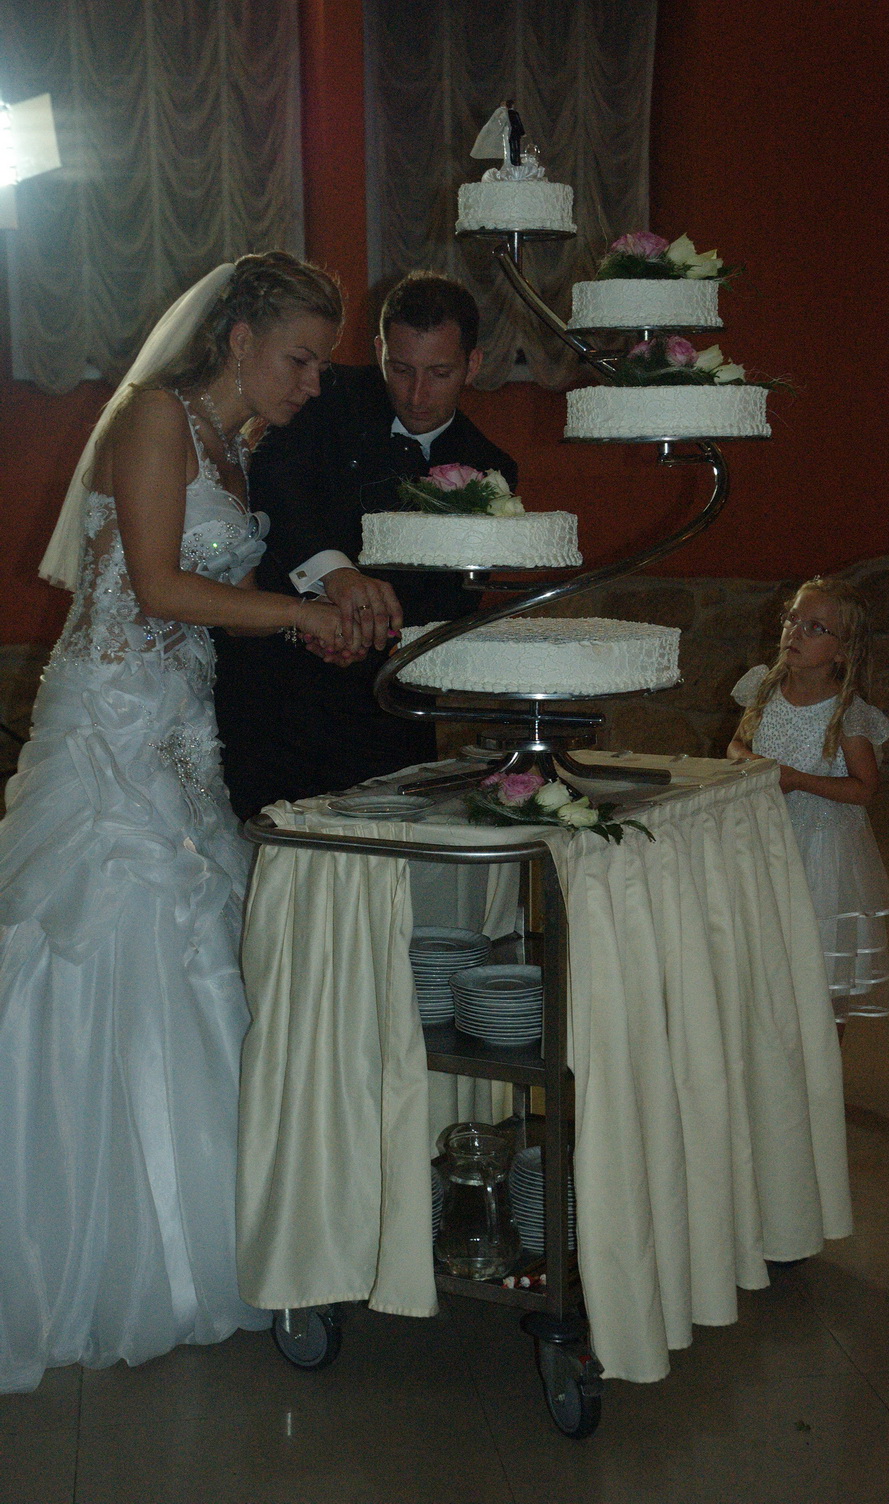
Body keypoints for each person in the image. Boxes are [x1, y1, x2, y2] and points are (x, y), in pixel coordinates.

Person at [0, 251, 351, 1393]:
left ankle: (220, 1218)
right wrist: (298, 616)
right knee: (109, 935)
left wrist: (313, 609)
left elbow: (211, 600)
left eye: (319, 364)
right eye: (299, 358)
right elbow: (155, 585)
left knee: (203, 941)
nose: (312, 382)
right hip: (110, 724)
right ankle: (85, 1240)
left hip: (182, 726)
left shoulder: (233, 445)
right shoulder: (155, 419)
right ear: (239, 341)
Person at [213, 271, 518, 818]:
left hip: (385, 715)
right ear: (378, 350)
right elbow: (275, 483)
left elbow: (453, 600)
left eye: (439, 373)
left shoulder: (491, 468)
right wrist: (335, 577)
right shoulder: (322, 393)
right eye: (400, 369)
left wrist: (363, 632)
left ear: (472, 364)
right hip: (271, 697)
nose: (417, 394)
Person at [728, 576, 889, 1035]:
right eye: (792, 619)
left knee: (819, 966)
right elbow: (736, 745)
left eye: (815, 628)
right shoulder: (763, 688)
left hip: (822, 850)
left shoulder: (847, 712)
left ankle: (823, 1059)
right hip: (764, 836)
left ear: (842, 651)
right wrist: (757, 765)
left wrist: (798, 780)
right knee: (766, 954)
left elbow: (864, 788)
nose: (794, 633)